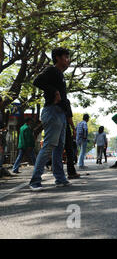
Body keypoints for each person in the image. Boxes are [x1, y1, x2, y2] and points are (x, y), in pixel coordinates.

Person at [29, 47, 72, 191]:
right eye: (66, 57)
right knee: (48, 147)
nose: (68, 60)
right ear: (58, 58)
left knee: (59, 148)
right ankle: (35, 181)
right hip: (52, 112)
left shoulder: (60, 74)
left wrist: (68, 115)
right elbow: (37, 81)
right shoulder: (52, 70)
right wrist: (54, 91)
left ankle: (60, 179)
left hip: (60, 113)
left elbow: (64, 98)